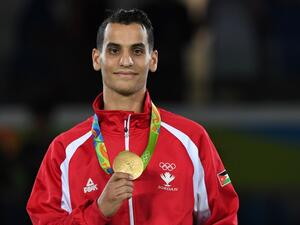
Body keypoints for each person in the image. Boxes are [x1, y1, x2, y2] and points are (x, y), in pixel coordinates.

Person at [27, 9, 239, 225]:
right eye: (114, 50)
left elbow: (224, 217)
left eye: (137, 51)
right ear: (96, 59)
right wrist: (98, 212)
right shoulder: (64, 152)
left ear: (153, 59)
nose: (126, 61)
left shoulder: (191, 140)